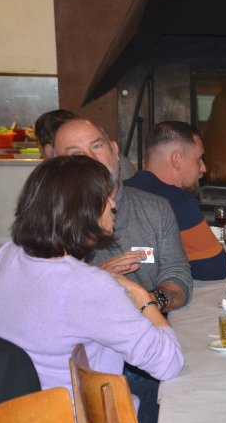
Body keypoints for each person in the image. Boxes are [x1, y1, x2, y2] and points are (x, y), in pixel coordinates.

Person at [0, 155, 184, 423]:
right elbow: (169, 362)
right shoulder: (89, 286)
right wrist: (143, 298)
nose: (114, 203)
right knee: (182, 412)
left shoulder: (9, 256)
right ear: (84, 210)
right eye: (106, 197)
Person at [53, 118, 192, 312]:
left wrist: (148, 302)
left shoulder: (155, 208)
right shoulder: (49, 219)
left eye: (97, 146)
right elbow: (46, 299)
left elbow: (178, 276)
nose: (91, 158)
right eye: (76, 154)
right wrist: (97, 279)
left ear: (115, 151)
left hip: (147, 322)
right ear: (56, 167)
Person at [125, 121, 226, 280]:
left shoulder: (119, 191)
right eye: (199, 159)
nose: (203, 168)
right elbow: (213, 267)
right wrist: (221, 262)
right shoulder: (178, 201)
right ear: (177, 159)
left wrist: (223, 260)